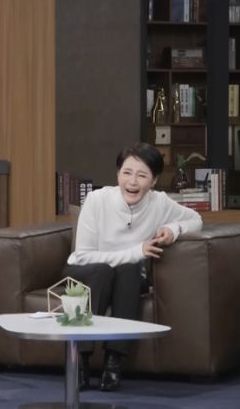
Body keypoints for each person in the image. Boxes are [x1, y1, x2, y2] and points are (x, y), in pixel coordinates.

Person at [64, 142, 202, 392]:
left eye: (142, 175)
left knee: (130, 270)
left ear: (154, 180)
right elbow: (83, 256)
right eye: (126, 173)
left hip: (127, 278)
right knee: (105, 270)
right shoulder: (97, 200)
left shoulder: (159, 203)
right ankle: (80, 362)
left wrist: (173, 229)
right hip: (87, 272)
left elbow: (195, 220)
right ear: (118, 175)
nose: (132, 181)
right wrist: (137, 251)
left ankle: (114, 362)